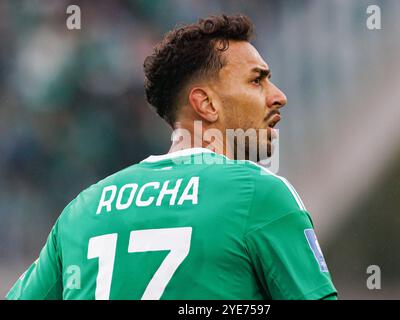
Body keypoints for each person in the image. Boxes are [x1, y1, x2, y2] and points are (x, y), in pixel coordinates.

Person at [6, 14, 337, 300]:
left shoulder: (82, 210)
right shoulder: (259, 194)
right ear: (206, 104)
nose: (279, 96)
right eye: (257, 80)